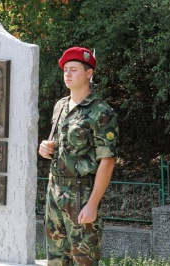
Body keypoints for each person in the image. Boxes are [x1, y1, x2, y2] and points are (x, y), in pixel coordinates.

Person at [39, 47, 118, 265]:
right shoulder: (61, 106)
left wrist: (93, 204)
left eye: (73, 69)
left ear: (89, 73)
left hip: (81, 195)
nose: (67, 74)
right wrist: (46, 149)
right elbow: (60, 147)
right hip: (55, 194)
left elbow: (108, 161)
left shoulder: (101, 112)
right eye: (65, 70)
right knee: (55, 260)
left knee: (84, 260)